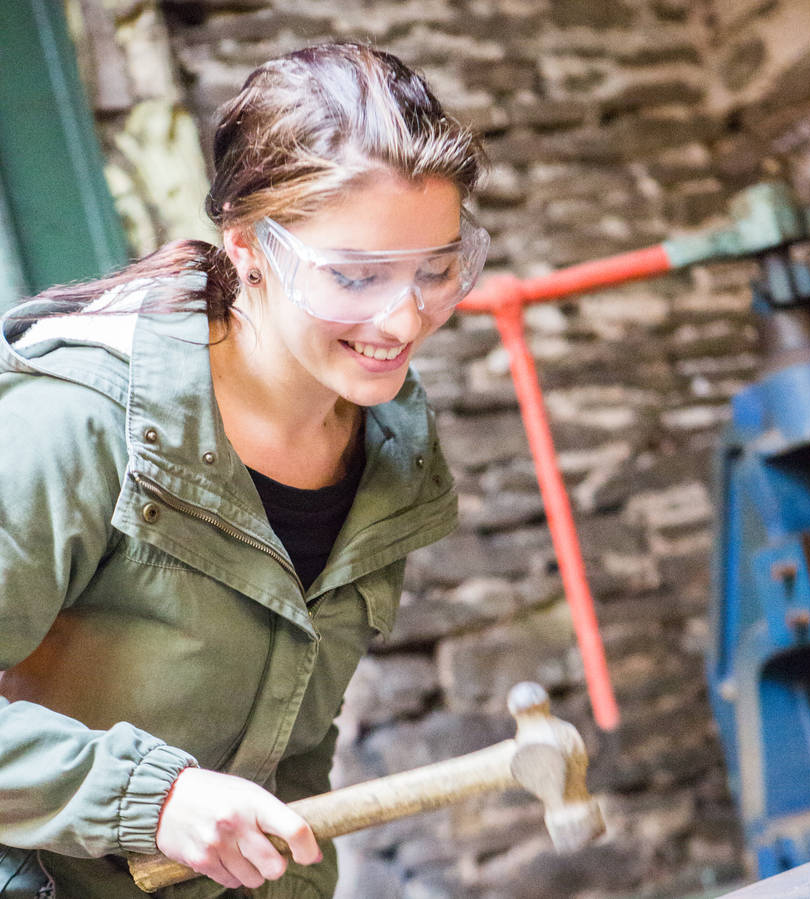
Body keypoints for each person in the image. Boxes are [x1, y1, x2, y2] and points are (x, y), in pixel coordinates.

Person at [0, 41, 488, 898]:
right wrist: (151, 801)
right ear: (249, 248)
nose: (405, 317)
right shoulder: (76, 421)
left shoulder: (391, 453)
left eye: (437, 269)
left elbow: (293, 756)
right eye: (356, 275)